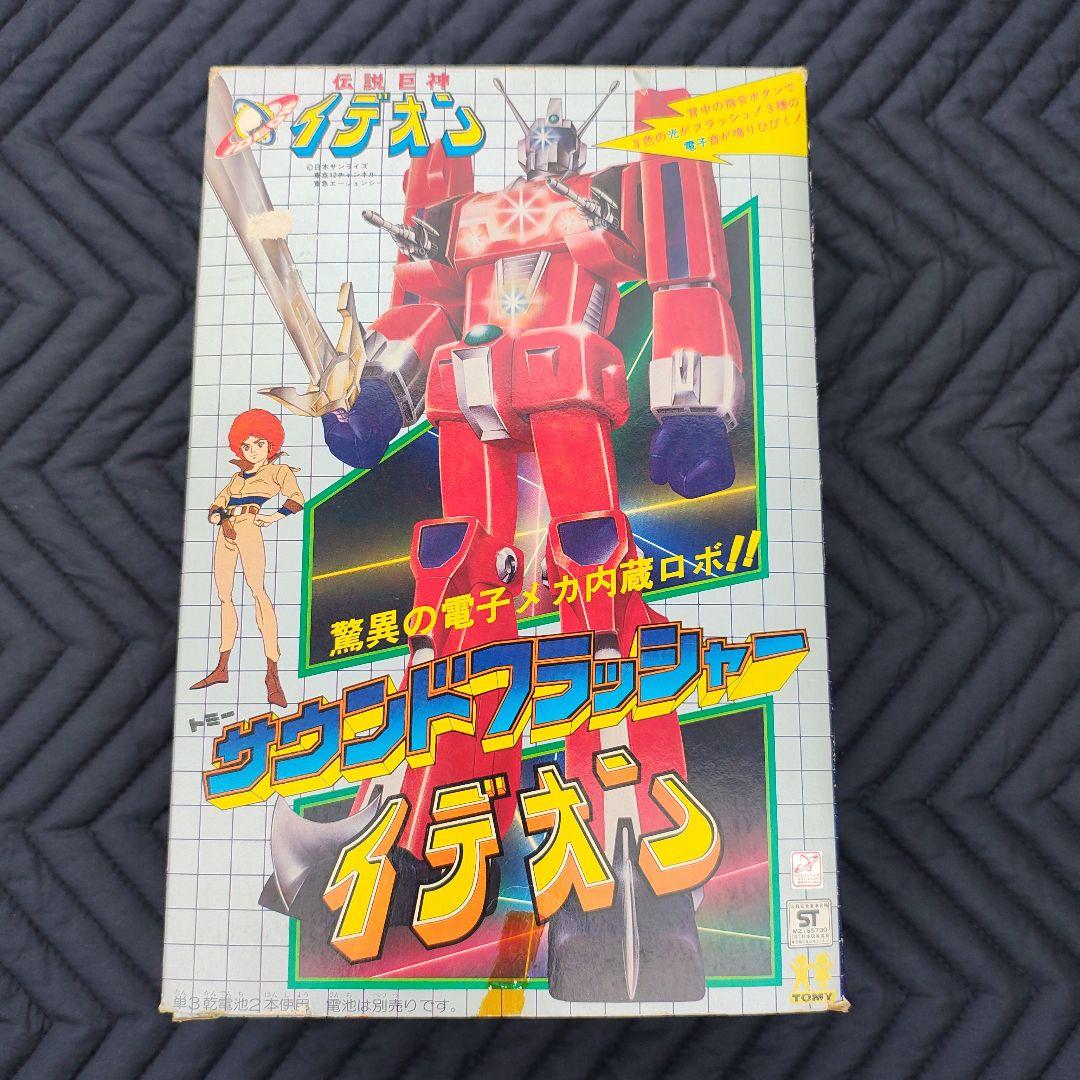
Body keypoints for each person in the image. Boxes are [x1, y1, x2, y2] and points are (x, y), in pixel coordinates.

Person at [191, 409, 304, 707]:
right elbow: (214, 507)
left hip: (250, 528)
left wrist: (272, 517)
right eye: (246, 445)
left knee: (258, 592)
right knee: (224, 597)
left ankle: (272, 674)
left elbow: (297, 499)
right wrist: (221, 520)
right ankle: (222, 667)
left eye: (259, 444)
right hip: (226, 532)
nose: (252, 450)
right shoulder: (235, 477)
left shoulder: (278, 471)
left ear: (271, 445)